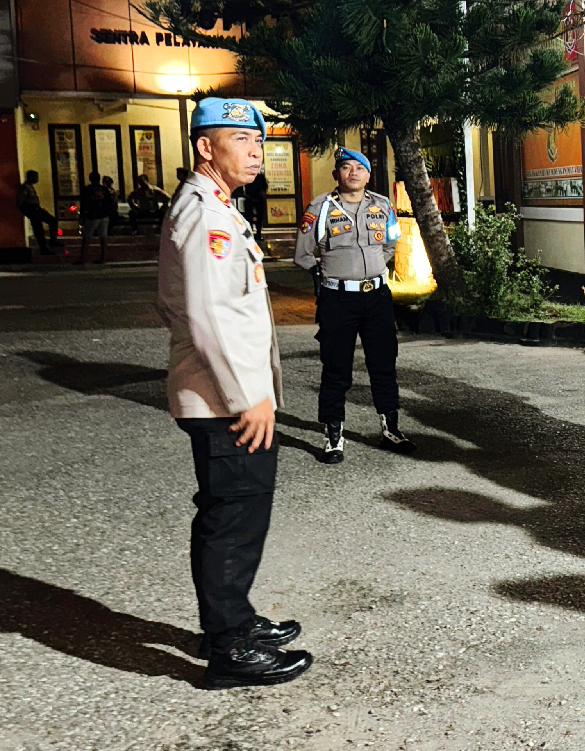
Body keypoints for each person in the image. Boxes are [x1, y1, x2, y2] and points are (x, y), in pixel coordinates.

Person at [156, 97, 312, 689]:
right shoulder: (204, 213)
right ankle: (230, 649)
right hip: (226, 400)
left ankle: (233, 622)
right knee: (233, 520)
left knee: (234, 513)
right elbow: (205, 315)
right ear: (206, 146)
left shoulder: (218, 206)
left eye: (259, 141)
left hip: (227, 394)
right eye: (241, 140)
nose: (256, 151)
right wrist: (246, 396)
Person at [294, 147, 413, 464]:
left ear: (368, 175)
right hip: (338, 299)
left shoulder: (383, 205)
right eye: (346, 168)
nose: (353, 173)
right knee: (336, 369)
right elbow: (302, 254)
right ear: (337, 174)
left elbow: (390, 243)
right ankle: (333, 437)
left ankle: (391, 429)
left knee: (384, 365)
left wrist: (372, 271)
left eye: (359, 168)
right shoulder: (320, 208)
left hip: (377, 297)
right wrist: (326, 275)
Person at [18, 170, 64, 254]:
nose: (37, 179)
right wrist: (30, 212)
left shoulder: (30, 186)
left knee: (52, 221)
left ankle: (52, 241)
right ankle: (43, 247)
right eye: (35, 177)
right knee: (39, 229)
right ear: (30, 177)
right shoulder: (25, 187)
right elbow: (21, 202)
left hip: (36, 209)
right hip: (33, 210)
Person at [76, 172, 111, 264]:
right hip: (104, 215)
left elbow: (84, 203)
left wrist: (82, 216)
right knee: (103, 238)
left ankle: (83, 258)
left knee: (87, 237)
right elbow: (109, 202)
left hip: (92, 216)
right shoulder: (104, 189)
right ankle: (103, 257)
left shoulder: (88, 189)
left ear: (90, 179)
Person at [244, 169, 269, 240]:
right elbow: (265, 187)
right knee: (253, 218)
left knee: (255, 218)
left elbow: (264, 187)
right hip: (254, 198)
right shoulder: (257, 177)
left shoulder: (253, 177)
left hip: (254, 198)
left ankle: (255, 234)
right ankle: (256, 234)